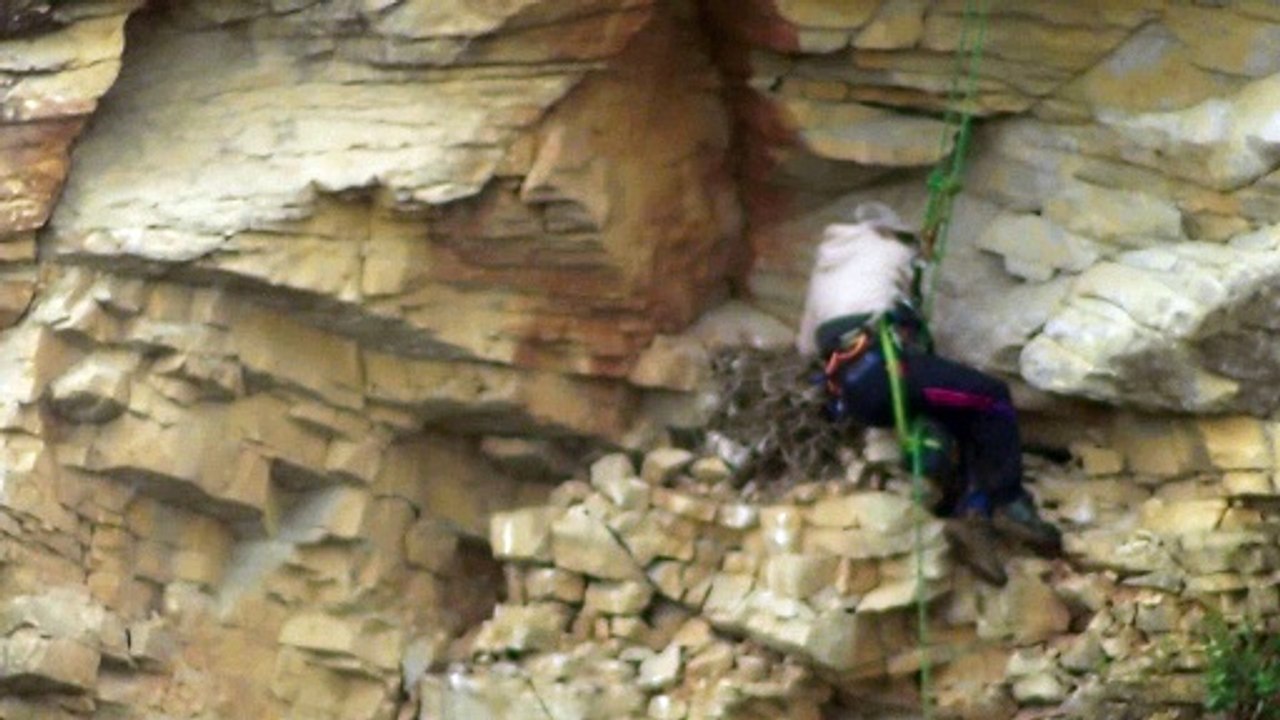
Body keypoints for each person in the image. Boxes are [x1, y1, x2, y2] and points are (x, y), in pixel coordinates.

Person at [796, 202, 1061, 586]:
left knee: (962, 413)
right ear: (889, 232)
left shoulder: (826, 268)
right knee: (992, 397)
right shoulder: (891, 249)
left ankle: (973, 516)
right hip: (888, 370)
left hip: (853, 393)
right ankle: (1007, 502)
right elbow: (916, 286)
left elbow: (805, 346)